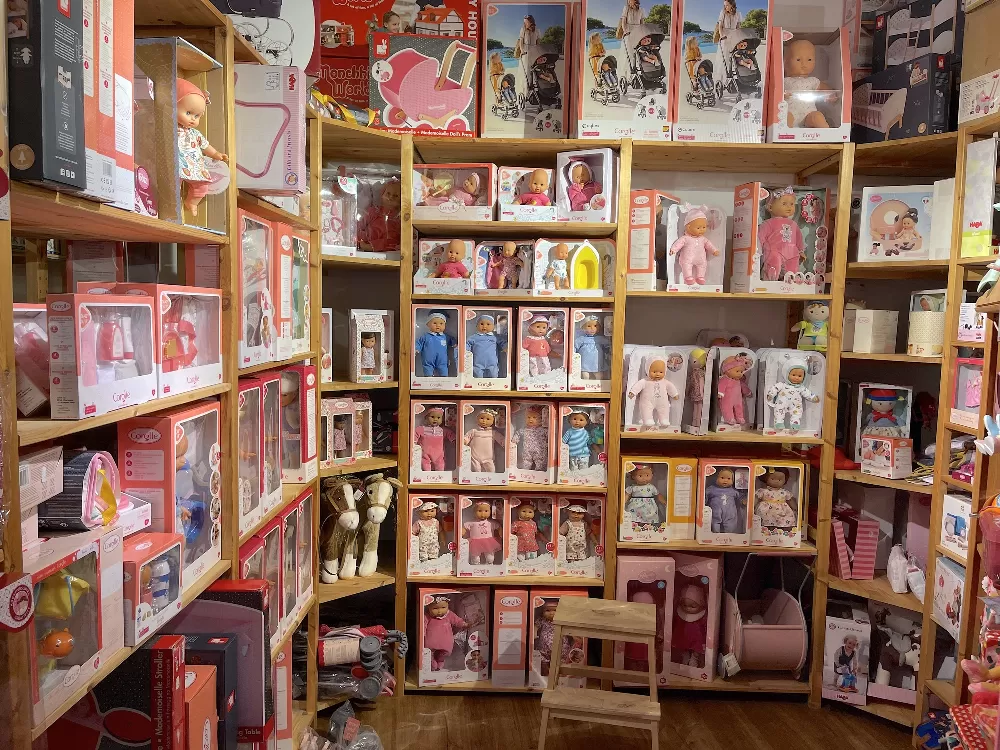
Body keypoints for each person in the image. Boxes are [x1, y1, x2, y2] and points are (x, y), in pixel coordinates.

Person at [715, 0, 743, 74]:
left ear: (732, 5)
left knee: (734, 56)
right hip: (725, 36)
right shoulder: (723, 12)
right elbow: (720, 26)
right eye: (724, 5)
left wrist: (739, 37)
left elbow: (738, 27)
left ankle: (733, 74)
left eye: (727, 5)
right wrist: (722, 36)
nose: (725, 7)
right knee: (724, 57)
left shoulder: (738, 14)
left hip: (734, 36)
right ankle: (723, 75)